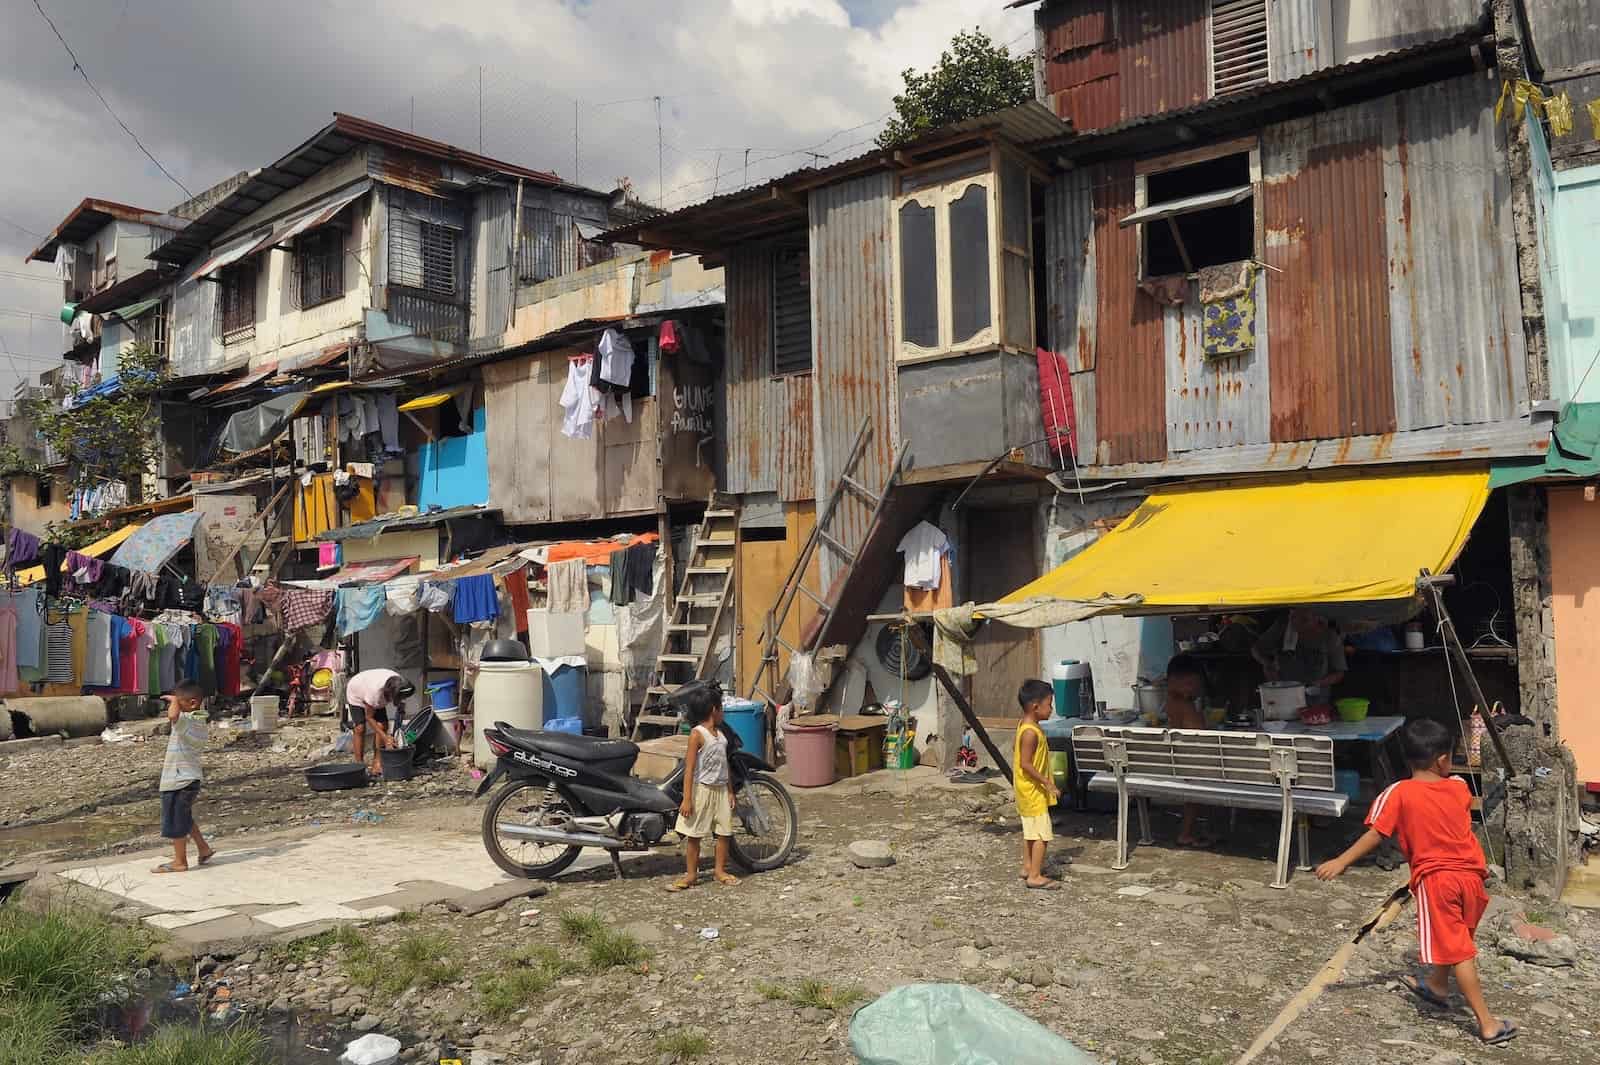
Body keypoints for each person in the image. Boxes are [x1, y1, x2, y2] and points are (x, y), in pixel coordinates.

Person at [1315, 719, 1517, 1046]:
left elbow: (1377, 833)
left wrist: (1341, 861)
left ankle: (1487, 1023)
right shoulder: (1459, 788)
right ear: (1442, 760)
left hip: (1438, 881)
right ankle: (1438, 985)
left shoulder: (1398, 792)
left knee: (1459, 949)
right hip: (1474, 879)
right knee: (1457, 937)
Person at [667, 682, 738, 892]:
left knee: (724, 833)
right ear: (713, 710)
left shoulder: (720, 734)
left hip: (721, 790)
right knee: (695, 835)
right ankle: (691, 874)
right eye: (721, 708)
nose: (723, 712)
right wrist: (687, 798)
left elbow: (724, 764)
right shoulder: (697, 734)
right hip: (703, 790)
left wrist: (731, 790)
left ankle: (719, 870)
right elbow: (689, 769)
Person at [154, 682, 214, 874]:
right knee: (184, 816)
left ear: (192, 703)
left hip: (179, 779)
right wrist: (179, 701)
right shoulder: (198, 719)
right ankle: (203, 848)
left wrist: (174, 702)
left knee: (176, 820)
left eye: (178, 703)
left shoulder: (188, 722)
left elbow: (173, 716)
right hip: (188, 777)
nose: (174, 707)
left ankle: (180, 861)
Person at [1014, 678, 1061, 890]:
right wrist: (1047, 783)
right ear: (1035, 706)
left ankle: (1027, 866)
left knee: (1030, 831)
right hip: (1032, 789)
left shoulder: (1027, 725)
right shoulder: (1031, 733)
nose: (1051, 709)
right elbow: (1025, 764)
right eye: (1049, 704)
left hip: (1027, 789)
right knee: (1042, 832)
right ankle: (1035, 875)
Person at [1163, 654, 1214, 848]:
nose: (1196, 689)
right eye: (1191, 683)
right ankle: (1185, 833)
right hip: (1188, 768)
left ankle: (1206, 829)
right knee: (1200, 782)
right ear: (1175, 681)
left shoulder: (1168, 702)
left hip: (1175, 762)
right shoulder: (1186, 707)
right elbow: (1201, 737)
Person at [1251, 608, 1347, 689]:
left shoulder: (1329, 636)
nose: (1296, 624)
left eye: (1304, 620)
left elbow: (1339, 673)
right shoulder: (1283, 626)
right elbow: (1256, 649)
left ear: (1317, 619)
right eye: (1293, 618)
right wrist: (1267, 664)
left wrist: (1317, 684)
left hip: (1315, 695)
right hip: (1283, 690)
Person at [345, 668, 408, 776]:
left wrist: (401, 707)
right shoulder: (375, 694)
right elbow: (369, 717)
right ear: (389, 693)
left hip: (373, 688)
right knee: (360, 728)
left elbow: (401, 698)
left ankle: (377, 762)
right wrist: (386, 738)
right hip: (356, 692)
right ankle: (359, 765)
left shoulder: (401, 684)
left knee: (383, 725)